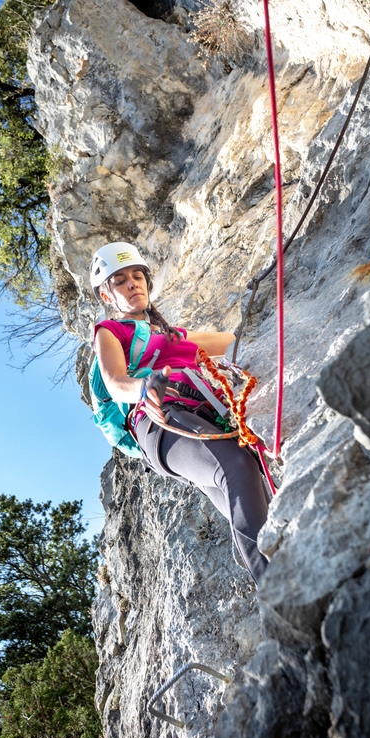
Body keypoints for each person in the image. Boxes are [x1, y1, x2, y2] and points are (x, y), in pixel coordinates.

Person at [90, 241, 269, 585]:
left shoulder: (174, 335)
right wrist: (144, 388)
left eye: (138, 275)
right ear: (106, 295)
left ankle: (286, 588)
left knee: (254, 499)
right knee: (236, 466)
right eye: (121, 280)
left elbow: (236, 339)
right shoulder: (110, 332)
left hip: (206, 413)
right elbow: (114, 381)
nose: (133, 283)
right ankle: (279, 595)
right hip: (159, 421)